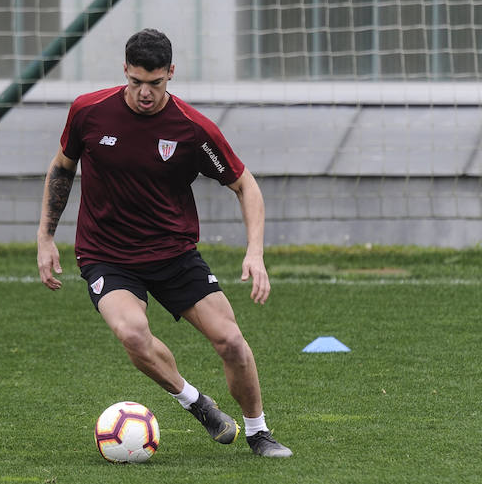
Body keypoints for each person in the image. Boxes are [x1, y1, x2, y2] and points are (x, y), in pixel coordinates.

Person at [36, 28, 291, 457]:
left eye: (155, 83)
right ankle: (195, 402)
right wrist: (45, 235)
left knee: (230, 341)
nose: (145, 94)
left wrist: (255, 251)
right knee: (133, 334)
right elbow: (63, 167)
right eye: (136, 82)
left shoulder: (192, 129)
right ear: (125, 72)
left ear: (171, 73)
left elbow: (244, 184)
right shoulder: (89, 112)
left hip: (174, 254)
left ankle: (258, 431)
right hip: (106, 255)